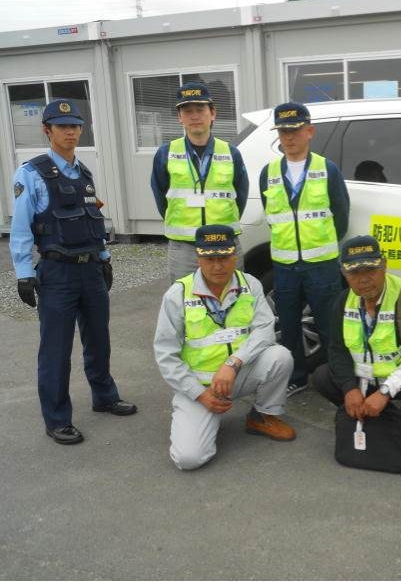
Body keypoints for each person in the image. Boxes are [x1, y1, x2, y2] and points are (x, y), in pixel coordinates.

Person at [9, 99, 137, 445]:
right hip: (57, 274)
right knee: (56, 350)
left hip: (91, 270)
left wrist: (106, 257)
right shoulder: (31, 174)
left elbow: (93, 223)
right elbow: (20, 229)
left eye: (75, 126)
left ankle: (104, 396)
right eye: (63, 126)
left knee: (99, 340)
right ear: (46, 130)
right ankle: (57, 419)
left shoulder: (84, 173)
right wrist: (24, 273)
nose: (71, 132)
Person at [154, 224, 296, 470]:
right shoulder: (177, 295)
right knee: (189, 459)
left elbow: (265, 329)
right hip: (200, 385)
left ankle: (262, 416)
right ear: (198, 258)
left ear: (235, 256)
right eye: (209, 258)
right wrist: (200, 394)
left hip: (238, 374)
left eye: (223, 257)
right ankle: (203, 415)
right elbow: (166, 355)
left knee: (280, 356)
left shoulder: (250, 284)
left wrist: (233, 363)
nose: (217, 265)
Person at [260, 102, 350, 397]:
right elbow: (274, 219)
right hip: (285, 266)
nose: (289, 137)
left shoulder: (327, 169)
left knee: (329, 326)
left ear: (309, 131)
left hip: (321, 265)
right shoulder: (269, 173)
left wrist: (316, 246)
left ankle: (336, 376)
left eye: (295, 130)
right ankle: (296, 377)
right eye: (283, 131)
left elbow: (341, 215)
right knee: (288, 325)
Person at [312, 235, 401, 435]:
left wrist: (385, 392)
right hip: (364, 378)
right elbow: (337, 349)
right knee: (321, 377)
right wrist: (349, 388)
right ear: (344, 274)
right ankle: (376, 419)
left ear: (384, 265)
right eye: (354, 272)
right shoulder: (343, 301)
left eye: (370, 269)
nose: (363, 279)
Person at [151, 82, 249, 283]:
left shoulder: (231, 153)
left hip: (225, 245)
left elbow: (241, 197)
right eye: (187, 111)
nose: (194, 116)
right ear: (180, 117)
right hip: (184, 249)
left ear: (212, 113)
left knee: (230, 304)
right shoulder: (166, 153)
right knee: (187, 305)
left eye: (200, 109)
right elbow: (162, 198)